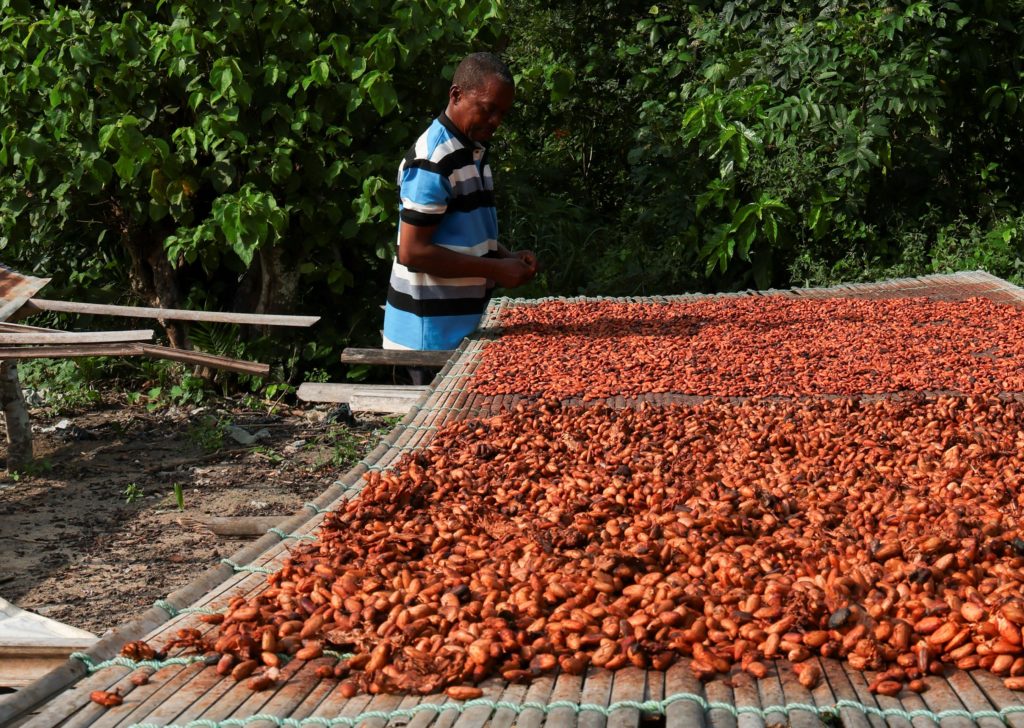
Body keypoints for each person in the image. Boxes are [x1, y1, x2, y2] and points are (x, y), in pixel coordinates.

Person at [382, 52, 538, 360]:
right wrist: (496, 269)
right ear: (456, 95)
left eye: (502, 114)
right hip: (427, 340)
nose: (495, 122)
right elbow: (413, 252)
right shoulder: (434, 159)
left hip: (459, 329)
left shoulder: (472, 151)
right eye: (488, 109)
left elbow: (465, 236)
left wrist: (507, 257)